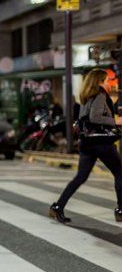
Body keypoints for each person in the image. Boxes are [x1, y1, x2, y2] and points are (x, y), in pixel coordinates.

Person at [50, 69, 122, 223]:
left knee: (80, 177)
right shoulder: (100, 95)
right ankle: (120, 210)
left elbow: (87, 117)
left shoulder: (85, 97)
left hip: (87, 143)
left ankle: (57, 207)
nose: (108, 83)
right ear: (99, 82)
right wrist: (116, 121)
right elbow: (95, 117)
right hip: (101, 142)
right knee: (120, 173)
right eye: (106, 80)